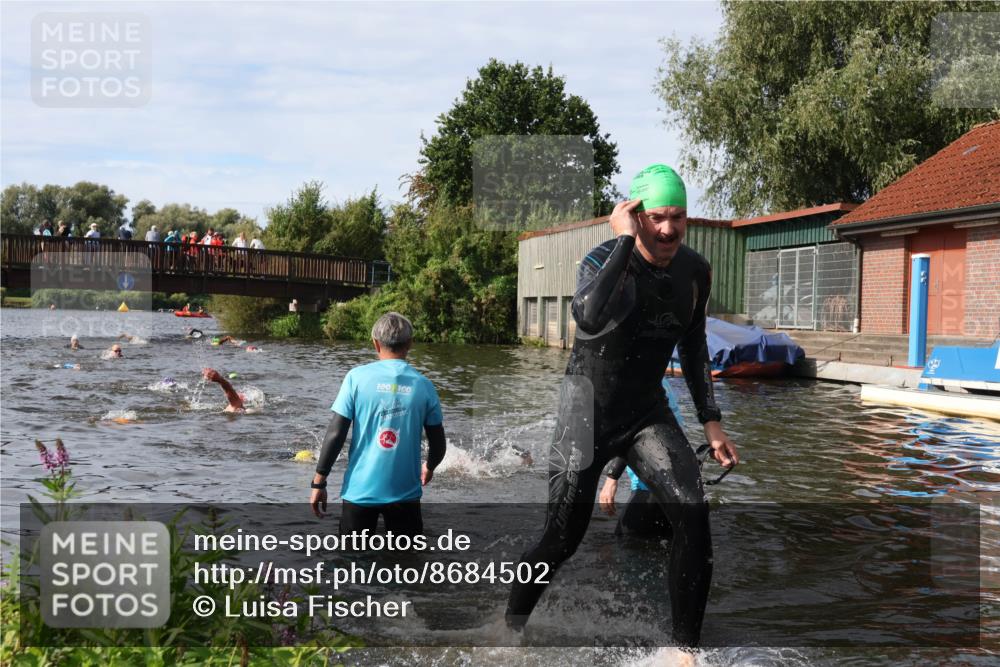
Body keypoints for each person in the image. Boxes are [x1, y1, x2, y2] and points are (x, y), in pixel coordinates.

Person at [505, 164, 739, 650]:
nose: (669, 229)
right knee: (562, 539)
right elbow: (588, 316)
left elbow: (694, 347)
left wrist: (711, 422)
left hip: (645, 413)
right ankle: (509, 629)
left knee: (693, 513)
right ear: (634, 215)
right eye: (656, 217)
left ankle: (684, 652)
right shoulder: (601, 259)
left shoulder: (695, 270)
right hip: (584, 414)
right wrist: (624, 244)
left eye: (678, 217)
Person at [309, 312, 446, 538]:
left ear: (375, 343)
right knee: (407, 566)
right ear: (410, 344)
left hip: (360, 492)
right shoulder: (424, 386)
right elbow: (438, 444)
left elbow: (336, 434)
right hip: (405, 495)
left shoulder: (356, 378)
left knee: (352, 565)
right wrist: (429, 467)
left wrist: (318, 483)